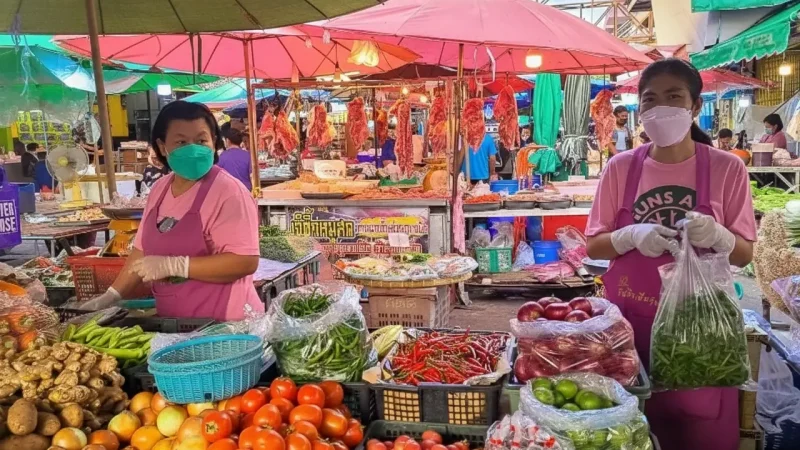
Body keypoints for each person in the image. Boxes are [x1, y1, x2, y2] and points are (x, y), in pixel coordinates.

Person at [584, 58, 756, 450]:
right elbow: (594, 245)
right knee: (630, 431)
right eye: (650, 99)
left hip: (701, 333)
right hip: (631, 329)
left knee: (699, 431)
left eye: (674, 97)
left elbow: (744, 255)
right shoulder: (620, 168)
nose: (661, 107)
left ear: (695, 106)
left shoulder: (727, 169)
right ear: (640, 108)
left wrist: (720, 236)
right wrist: (629, 235)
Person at [80, 101, 263, 321]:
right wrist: (111, 296)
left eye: (201, 140)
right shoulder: (159, 190)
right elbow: (141, 252)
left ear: (214, 141)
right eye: (181, 142)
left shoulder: (229, 192)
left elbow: (245, 261)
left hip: (226, 324)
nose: (193, 149)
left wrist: (176, 266)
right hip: (177, 324)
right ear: (162, 146)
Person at [218, 125, 253, 191]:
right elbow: (252, 176)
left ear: (228, 140)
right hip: (247, 191)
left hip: (228, 192)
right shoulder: (248, 155)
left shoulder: (222, 156)